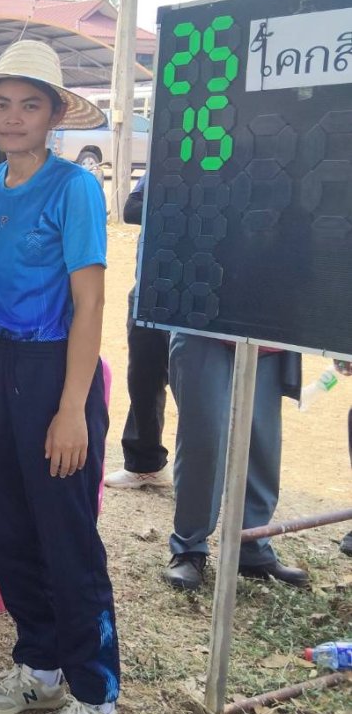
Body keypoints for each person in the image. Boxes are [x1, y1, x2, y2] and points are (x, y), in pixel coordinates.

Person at [0, 40, 118, 714]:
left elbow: (90, 303)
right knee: (9, 527)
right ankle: (40, 667)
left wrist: (72, 408)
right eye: (2, 104)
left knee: (66, 534)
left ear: (54, 116)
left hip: (54, 368)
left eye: (30, 105)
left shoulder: (74, 187)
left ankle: (96, 692)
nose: (13, 117)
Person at [161, 336, 309, 591]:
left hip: (271, 338)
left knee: (262, 445)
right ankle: (189, 547)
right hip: (207, 331)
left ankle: (252, 547)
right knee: (204, 443)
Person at [105, 175, 172, 490]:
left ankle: (201, 480)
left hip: (200, 297)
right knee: (143, 378)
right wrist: (179, 204)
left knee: (196, 389)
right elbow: (131, 208)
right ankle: (145, 464)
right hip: (149, 290)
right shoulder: (163, 164)